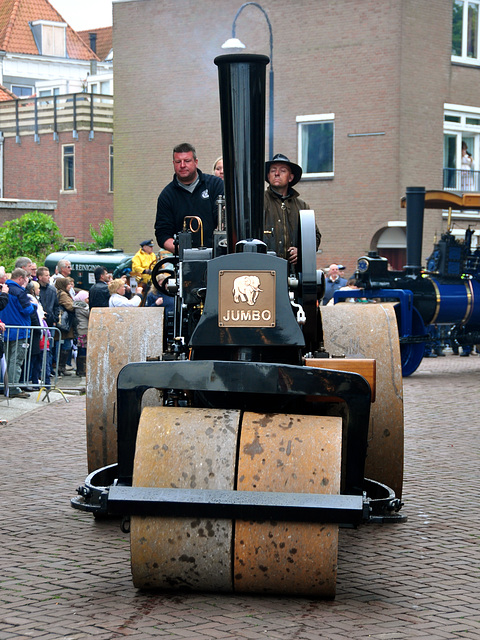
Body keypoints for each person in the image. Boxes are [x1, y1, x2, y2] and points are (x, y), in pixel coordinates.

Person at [155, 142, 224, 252]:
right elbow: (162, 234)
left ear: (196, 162)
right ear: (173, 163)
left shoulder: (215, 185)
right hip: (185, 262)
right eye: (178, 162)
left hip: (217, 256)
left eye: (187, 161)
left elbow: (224, 221)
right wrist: (182, 251)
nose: (182, 165)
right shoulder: (166, 196)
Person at [263, 154, 321, 266]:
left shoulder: (302, 206)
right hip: (265, 269)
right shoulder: (258, 202)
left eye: (283, 171)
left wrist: (302, 251)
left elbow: (315, 236)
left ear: (290, 177)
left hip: (293, 272)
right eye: (273, 170)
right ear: (268, 176)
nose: (277, 173)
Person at [1, 268, 36, 398]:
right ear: (21, 278)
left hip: (5, 330)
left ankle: (4, 386)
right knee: (16, 360)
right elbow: (27, 310)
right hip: (20, 331)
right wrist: (34, 306)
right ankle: (13, 387)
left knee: (6, 360)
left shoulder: (3, 289)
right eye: (26, 278)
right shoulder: (19, 292)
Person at [54, 277, 76, 377]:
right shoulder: (63, 294)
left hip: (64, 324)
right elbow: (70, 306)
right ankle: (61, 367)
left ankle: (61, 367)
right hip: (64, 324)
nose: (70, 286)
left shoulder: (60, 293)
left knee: (64, 345)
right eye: (68, 284)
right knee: (65, 345)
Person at [73, 290, 90, 377]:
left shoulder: (78, 306)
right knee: (83, 349)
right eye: (87, 298)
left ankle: (80, 369)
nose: (88, 300)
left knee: (82, 349)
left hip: (82, 329)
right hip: (83, 329)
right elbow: (89, 313)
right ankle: (82, 369)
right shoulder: (82, 307)